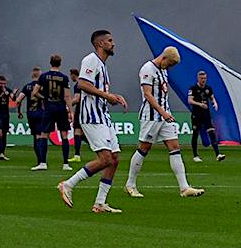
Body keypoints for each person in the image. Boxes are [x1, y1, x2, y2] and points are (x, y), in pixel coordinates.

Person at [58, 29, 127, 212]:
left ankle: (100, 202)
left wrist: (111, 97)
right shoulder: (90, 60)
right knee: (105, 159)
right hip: (92, 116)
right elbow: (82, 84)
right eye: (110, 40)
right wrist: (106, 95)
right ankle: (68, 184)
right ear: (100, 44)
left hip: (103, 116)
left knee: (114, 159)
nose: (113, 43)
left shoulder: (102, 65)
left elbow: (97, 91)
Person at [125, 44, 203, 199]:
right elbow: (147, 94)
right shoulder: (147, 69)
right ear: (164, 57)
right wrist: (162, 112)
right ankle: (130, 184)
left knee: (175, 147)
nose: (170, 67)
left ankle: (184, 187)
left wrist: (165, 112)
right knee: (144, 148)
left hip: (165, 115)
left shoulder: (163, 70)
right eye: (170, 64)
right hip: (151, 116)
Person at [34, 53, 74, 168]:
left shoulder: (43, 76)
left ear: (50, 63)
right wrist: (71, 111)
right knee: (64, 135)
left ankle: (43, 163)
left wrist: (44, 98)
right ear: (60, 63)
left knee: (44, 134)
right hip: (61, 107)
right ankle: (66, 163)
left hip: (49, 107)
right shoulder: (64, 77)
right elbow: (67, 96)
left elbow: (35, 92)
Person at [187, 70, 224, 162]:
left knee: (212, 133)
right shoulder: (193, 88)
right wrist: (200, 104)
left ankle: (218, 154)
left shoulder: (208, 88)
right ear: (198, 78)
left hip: (206, 114)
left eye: (204, 78)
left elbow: (212, 97)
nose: (203, 80)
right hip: (196, 115)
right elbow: (190, 100)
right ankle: (195, 156)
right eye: (201, 78)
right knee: (195, 134)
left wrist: (214, 103)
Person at [0, 74, 15, 160]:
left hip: (5, 114)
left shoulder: (8, 90)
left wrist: (14, 94)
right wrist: (3, 94)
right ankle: (0, 152)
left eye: (4, 83)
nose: (3, 85)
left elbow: (13, 98)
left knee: (4, 134)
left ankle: (2, 153)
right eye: (1, 83)